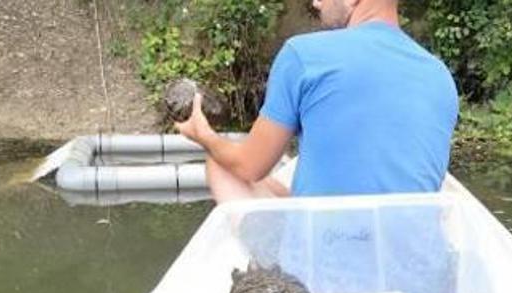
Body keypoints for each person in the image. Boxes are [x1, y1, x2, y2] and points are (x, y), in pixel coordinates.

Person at [175, 0, 458, 203]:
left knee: (222, 164)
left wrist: (205, 136)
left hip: (323, 265)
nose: (316, 3)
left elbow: (250, 166)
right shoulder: (440, 76)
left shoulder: (303, 55)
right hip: (413, 271)